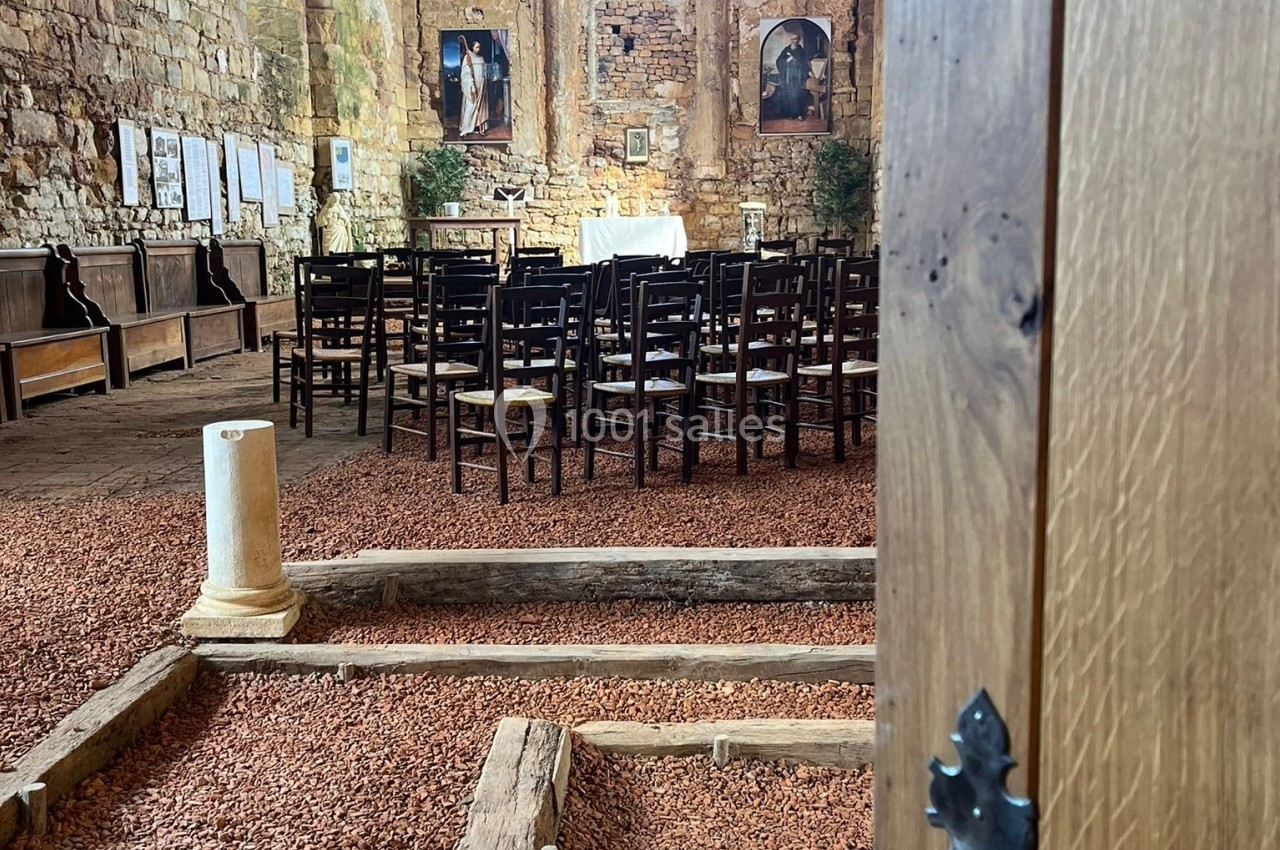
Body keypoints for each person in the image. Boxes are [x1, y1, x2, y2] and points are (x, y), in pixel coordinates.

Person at [774, 31, 811, 121]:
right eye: (793, 39)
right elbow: (779, 60)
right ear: (791, 40)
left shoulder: (802, 51)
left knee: (797, 94)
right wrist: (786, 60)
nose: (794, 41)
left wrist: (796, 60)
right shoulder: (786, 50)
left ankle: (799, 114)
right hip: (787, 75)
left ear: (799, 40)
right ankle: (790, 114)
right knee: (788, 95)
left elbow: (806, 63)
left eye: (796, 39)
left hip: (798, 76)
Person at [457, 36, 489, 137]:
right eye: (476, 47)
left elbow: (484, 72)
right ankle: (466, 128)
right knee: (470, 107)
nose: (478, 49)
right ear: (472, 47)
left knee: (480, 108)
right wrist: (471, 85)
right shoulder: (467, 58)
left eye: (479, 47)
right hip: (473, 87)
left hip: (481, 87)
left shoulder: (481, 58)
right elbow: (466, 74)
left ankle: (478, 127)